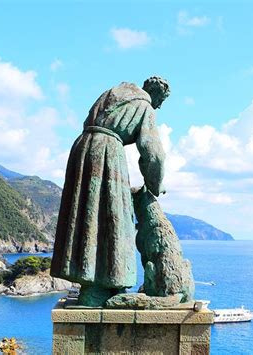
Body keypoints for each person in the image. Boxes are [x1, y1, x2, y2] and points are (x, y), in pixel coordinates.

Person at [50, 76, 170, 306]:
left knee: (87, 215)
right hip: (107, 154)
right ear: (155, 96)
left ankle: (91, 282)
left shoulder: (112, 93)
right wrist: (156, 184)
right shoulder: (145, 106)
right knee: (114, 218)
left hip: (82, 149)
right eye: (160, 102)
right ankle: (105, 285)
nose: (159, 107)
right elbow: (153, 152)